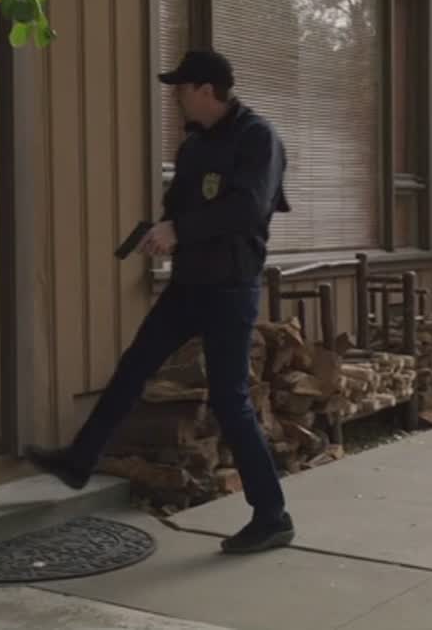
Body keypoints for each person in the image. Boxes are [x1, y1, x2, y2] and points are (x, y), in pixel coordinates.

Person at [24, 49, 294, 554]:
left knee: (230, 400)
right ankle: (79, 461)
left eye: (181, 89)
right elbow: (180, 212)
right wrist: (162, 233)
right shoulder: (194, 147)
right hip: (188, 285)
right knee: (133, 368)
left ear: (206, 90)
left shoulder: (258, 138)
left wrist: (181, 230)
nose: (175, 98)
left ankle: (272, 516)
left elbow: (247, 208)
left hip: (230, 289)